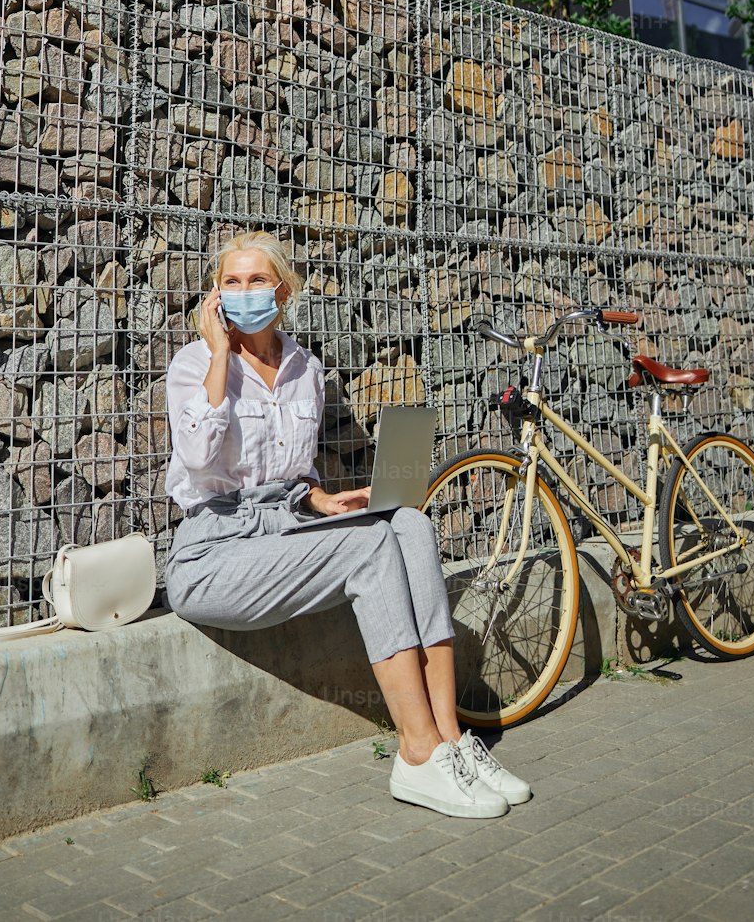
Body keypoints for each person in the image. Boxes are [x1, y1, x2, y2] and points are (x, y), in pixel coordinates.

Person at [163, 231, 531, 819]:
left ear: (283, 290)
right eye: (231, 281)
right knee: (368, 549)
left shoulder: (305, 367)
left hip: (284, 528)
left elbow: (293, 470)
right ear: (214, 294)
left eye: (257, 280)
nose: (244, 291)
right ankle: (415, 756)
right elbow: (203, 459)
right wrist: (218, 355)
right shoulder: (194, 365)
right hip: (214, 551)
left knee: (409, 524)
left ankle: (450, 738)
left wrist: (321, 500)